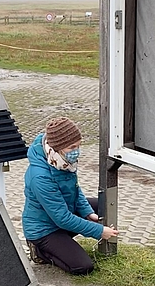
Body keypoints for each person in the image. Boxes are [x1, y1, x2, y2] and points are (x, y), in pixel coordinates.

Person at [22, 117, 118, 275]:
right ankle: (39, 251)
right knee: (83, 266)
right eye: (72, 147)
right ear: (57, 147)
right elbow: (62, 218)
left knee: (102, 204)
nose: (77, 151)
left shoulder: (61, 160)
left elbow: (75, 190)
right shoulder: (40, 177)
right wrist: (99, 231)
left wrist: (88, 212)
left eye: (78, 145)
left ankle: (65, 241)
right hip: (45, 230)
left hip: (62, 214)